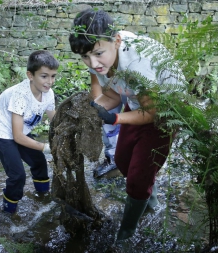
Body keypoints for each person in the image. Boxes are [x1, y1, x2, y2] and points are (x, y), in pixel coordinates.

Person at [69, 9, 185, 242]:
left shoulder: (136, 64)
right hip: (138, 103)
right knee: (122, 160)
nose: (92, 64)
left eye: (98, 54)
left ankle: (126, 232)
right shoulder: (99, 54)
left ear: (117, 41)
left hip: (165, 111)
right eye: (85, 58)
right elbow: (111, 94)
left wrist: (115, 119)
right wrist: (91, 111)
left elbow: (152, 112)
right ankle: (150, 202)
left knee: (138, 177)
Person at [0, 50, 59, 214]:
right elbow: (17, 137)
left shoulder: (48, 93)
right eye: (44, 76)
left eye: (53, 76)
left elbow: (55, 121)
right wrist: (46, 147)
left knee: (39, 162)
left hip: (20, 129)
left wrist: (65, 136)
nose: (50, 82)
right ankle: (8, 211)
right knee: (17, 176)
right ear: (30, 75)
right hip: (3, 130)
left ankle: (42, 195)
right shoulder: (20, 95)